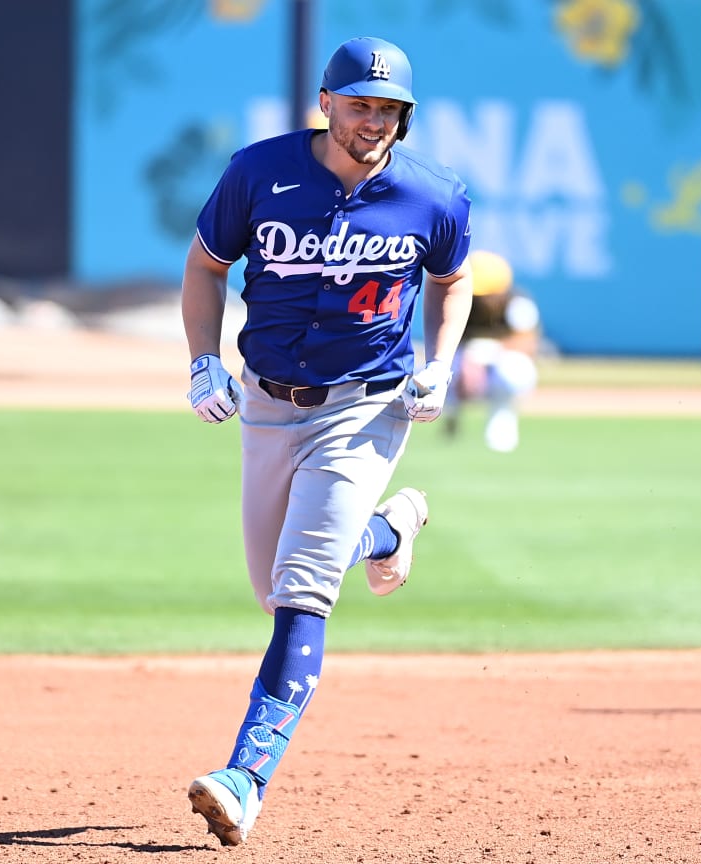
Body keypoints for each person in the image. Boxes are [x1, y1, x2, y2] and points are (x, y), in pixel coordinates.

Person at [179, 35, 475, 847]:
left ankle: (246, 776)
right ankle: (390, 527)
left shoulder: (433, 197)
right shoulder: (257, 171)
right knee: (270, 584)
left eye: (389, 109)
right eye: (361, 104)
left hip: (364, 409)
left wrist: (442, 365)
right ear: (326, 102)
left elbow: (454, 283)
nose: (374, 120)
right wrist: (204, 360)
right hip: (269, 405)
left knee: (301, 592)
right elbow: (205, 267)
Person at [442, 249, 541, 453]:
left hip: (497, 369)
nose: (480, 298)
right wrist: (467, 360)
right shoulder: (461, 299)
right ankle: (447, 416)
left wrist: (486, 352)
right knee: (439, 368)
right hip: (464, 364)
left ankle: (501, 424)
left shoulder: (517, 303)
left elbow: (527, 343)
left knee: (516, 370)